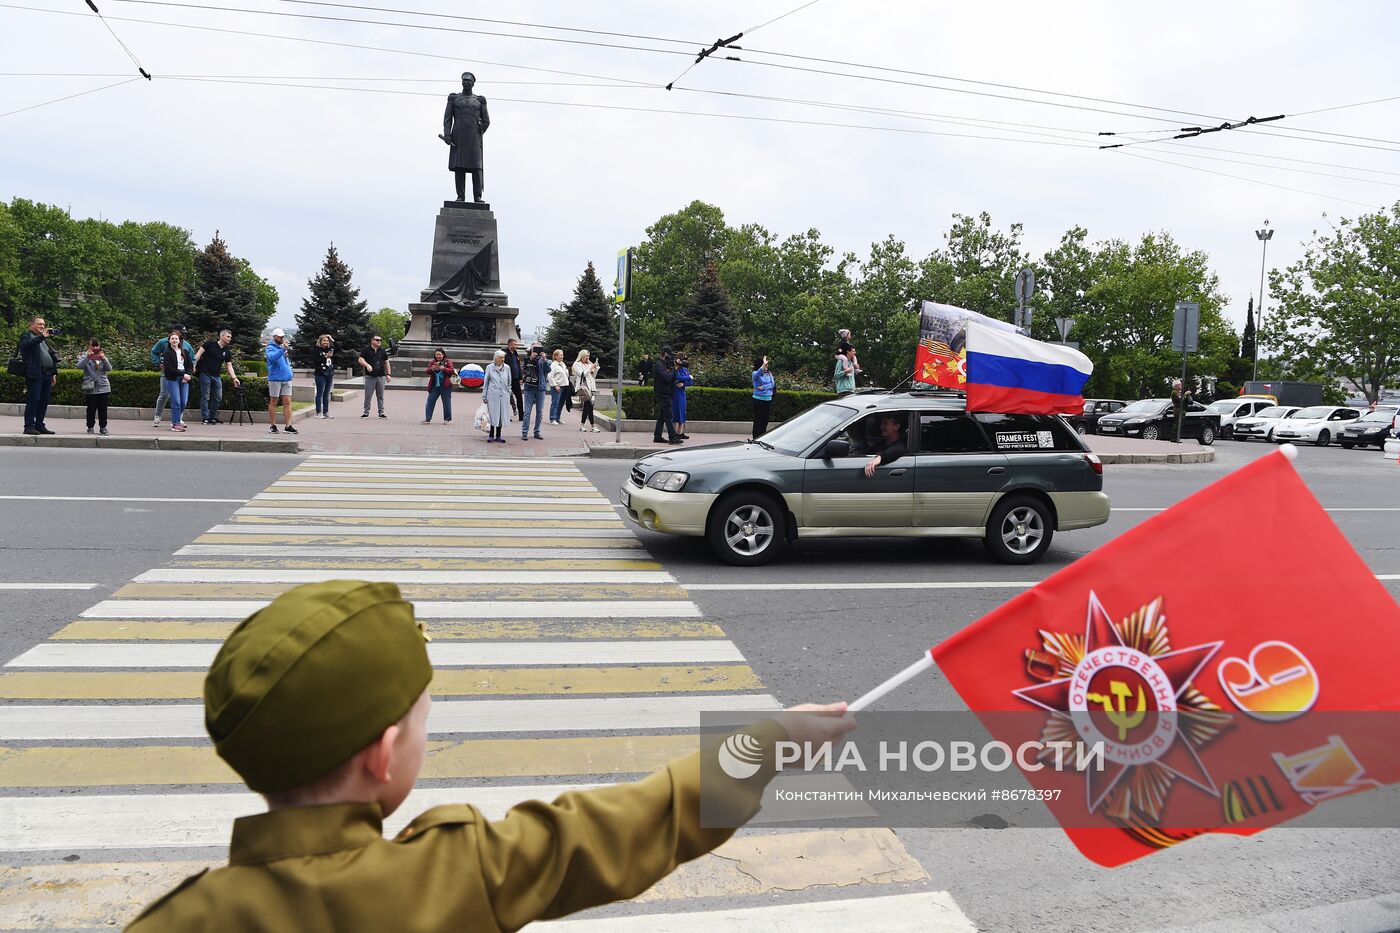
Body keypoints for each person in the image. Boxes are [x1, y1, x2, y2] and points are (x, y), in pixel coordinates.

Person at [124, 580, 853, 932]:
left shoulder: (173, 921)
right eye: (420, 717)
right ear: (383, 756)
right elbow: (629, 824)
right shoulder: (447, 874)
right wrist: (769, 744)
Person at [442, 71, 490, 203]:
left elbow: (486, 121)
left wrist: (479, 132)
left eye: (469, 81)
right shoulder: (454, 98)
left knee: (476, 167)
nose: (466, 83)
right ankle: (460, 196)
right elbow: (447, 118)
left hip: (474, 139)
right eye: (464, 80)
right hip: (458, 137)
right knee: (459, 167)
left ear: (473, 83)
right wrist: (447, 134)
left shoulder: (480, 100)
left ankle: (477, 196)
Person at [18, 315, 58, 436]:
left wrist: (54, 373)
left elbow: (50, 356)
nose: (42, 326)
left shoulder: (43, 339)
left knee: (44, 400)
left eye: (43, 324)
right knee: (33, 400)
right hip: (35, 373)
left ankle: (39, 425)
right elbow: (24, 346)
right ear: (32, 325)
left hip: (47, 373)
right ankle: (29, 426)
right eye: (40, 324)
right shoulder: (27, 336)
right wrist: (41, 337)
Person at [149, 327, 195, 428]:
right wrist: (158, 363)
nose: (183, 334)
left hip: (183, 375)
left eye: (183, 333)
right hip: (168, 374)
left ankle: (178, 418)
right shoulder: (163, 342)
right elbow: (153, 352)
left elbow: (192, 359)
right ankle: (158, 415)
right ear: (175, 331)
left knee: (182, 400)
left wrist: (189, 373)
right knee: (164, 394)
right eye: (181, 332)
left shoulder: (186, 345)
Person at [194, 329, 241, 426]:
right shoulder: (209, 344)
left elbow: (229, 366)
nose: (230, 339)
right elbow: (198, 355)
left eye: (230, 337)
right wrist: (193, 366)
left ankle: (212, 416)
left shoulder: (226, 351)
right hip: (205, 373)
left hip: (216, 376)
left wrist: (234, 378)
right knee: (205, 396)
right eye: (228, 336)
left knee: (218, 397)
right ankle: (205, 417)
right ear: (221, 336)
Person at [264, 328, 297, 436]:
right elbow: (272, 358)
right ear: (274, 337)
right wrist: (282, 349)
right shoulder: (270, 347)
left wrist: (290, 370)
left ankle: (288, 426)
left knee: (287, 401)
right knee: (274, 401)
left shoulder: (281, 348)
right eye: (279, 337)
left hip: (286, 378)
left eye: (282, 336)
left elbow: (286, 362)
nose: (282, 338)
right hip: (275, 378)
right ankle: (273, 426)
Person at [77, 338, 113, 436]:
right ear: (89, 346)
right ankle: (90, 427)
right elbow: (79, 366)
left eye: (97, 346)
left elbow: (109, 368)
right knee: (91, 409)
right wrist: (87, 357)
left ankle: (103, 427)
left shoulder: (101, 356)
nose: (95, 348)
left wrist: (104, 358)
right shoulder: (85, 356)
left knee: (103, 409)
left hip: (103, 386)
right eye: (93, 346)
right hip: (90, 387)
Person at [650, 347, 682, 445]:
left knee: (662, 416)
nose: (670, 356)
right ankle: (672, 437)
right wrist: (674, 369)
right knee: (668, 415)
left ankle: (657, 436)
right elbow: (667, 377)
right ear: (664, 354)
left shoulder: (666, 365)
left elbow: (673, 377)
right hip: (663, 393)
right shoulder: (659, 365)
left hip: (668, 392)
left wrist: (675, 368)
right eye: (668, 354)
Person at [358, 335, 392, 418]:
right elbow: (360, 359)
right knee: (368, 395)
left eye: (380, 340)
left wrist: (388, 374)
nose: (379, 341)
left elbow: (386, 362)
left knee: (380, 395)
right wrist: (367, 365)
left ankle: (381, 412)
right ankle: (366, 412)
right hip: (370, 376)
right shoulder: (366, 350)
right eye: (377, 340)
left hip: (381, 376)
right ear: (372, 341)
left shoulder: (382, 351)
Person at [482, 349, 511, 443]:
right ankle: (491, 434)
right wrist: (484, 395)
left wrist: (508, 391)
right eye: (500, 357)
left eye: (503, 357)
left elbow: (509, 381)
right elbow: (486, 382)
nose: (502, 359)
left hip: (503, 394)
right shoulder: (489, 367)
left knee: (501, 414)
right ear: (496, 358)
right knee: (493, 414)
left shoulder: (507, 367)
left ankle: (498, 435)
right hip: (492, 395)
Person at [521, 343, 548, 440]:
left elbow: (547, 370)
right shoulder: (527, 358)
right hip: (529, 389)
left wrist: (544, 359)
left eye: (538, 349)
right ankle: (524, 432)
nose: (536, 352)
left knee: (539, 413)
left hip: (540, 389)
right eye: (535, 349)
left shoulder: (542, 360)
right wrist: (530, 357)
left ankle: (537, 431)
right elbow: (523, 369)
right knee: (527, 412)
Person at [422, 348, 456, 424]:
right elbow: (427, 371)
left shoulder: (447, 362)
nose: (438, 356)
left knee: (446, 402)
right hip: (435, 386)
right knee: (430, 401)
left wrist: (443, 368)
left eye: (439, 354)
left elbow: (452, 371)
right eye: (436, 354)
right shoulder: (432, 362)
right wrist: (432, 369)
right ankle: (427, 418)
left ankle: (447, 419)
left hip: (445, 385)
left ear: (443, 355)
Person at [572, 349, 600, 433]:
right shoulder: (577, 364)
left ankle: (582, 425)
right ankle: (593, 426)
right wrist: (591, 367)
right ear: (582, 356)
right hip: (583, 388)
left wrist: (595, 368)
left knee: (586, 407)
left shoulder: (589, 364)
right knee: (590, 406)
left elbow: (593, 376)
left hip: (590, 388)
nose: (588, 358)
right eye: (586, 356)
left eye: (588, 356)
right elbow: (582, 374)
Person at [312, 334, 336, 419]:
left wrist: (331, 339)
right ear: (320, 341)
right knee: (320, 393)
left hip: (329, 373)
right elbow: (316, 361)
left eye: (327, 341)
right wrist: (325, 357)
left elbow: (337, 348)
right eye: (324, 341)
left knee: (327, 393)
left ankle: (326, 412)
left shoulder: (329, 349)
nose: (326, 342)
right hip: (320, 373)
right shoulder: (316, 349)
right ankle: (318, 412)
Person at [751, 355, 775, 439]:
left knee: (765, 420)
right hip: (758, 399)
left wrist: (764, 387)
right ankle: (756, 438)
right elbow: (757, 374)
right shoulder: (755, 373)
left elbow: (773, 384)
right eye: (765, 365)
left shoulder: (769, 374)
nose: (767, 366)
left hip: (768, 399)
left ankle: (762, 437)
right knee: (758, 420)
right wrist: (763, 364)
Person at [673, 352, 693, 441]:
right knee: (676, 412)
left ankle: (680, 433)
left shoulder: (684, 369)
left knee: (682, 411)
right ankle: (675, 432)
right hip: (675, 393)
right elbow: (678, 377)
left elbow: (691, 382)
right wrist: (688, 377)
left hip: (682, 392)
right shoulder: (676, 369)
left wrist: (684, 383)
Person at [547, 348, 570, 425]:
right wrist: (555, 385)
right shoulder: (553, 365)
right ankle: (552, 418)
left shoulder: (563, 364)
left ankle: (558, 418)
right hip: (557, 386)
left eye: (562, 355)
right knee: (555, 403)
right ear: (555, 356)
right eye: (560, 355)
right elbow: (550, 376)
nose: (562, 356)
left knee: (561, 403)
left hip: (565, 386)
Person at [503, 337, 523, 421]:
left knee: (519, 397)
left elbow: (518, 366)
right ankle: (506, 415)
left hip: (515, 379)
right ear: (510, 345)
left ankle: (522, 416)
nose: (517, 346)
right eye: (515, 344)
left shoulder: (515, 353)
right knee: (506, 398)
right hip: (506, 380)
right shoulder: (504, 353)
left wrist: (520, 378)